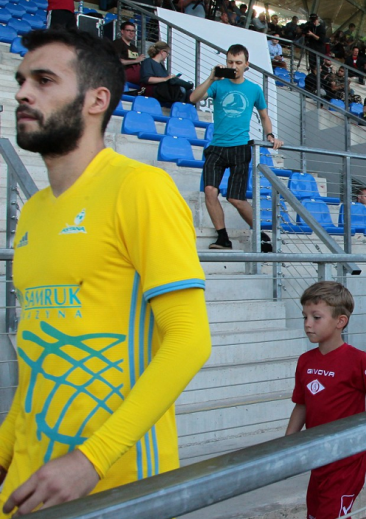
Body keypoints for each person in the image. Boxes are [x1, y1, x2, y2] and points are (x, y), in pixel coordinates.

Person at [0, 29, 211, 516]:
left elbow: (189, 340)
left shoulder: (141, 189)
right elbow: (38, 361)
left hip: (118, 483)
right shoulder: (32, 213)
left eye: (44, 80)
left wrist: (90, 459)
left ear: (98, 99)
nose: (23, 93)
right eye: (21, 80)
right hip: (31, 483)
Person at [287, 282, 366, 519]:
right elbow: (302, 404)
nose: (307, 323)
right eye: (304, 316)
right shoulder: (305, 361)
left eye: (316, 317)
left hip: (346, 462)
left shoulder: (359, 360)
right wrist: (287, 444)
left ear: (340, 322)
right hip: (316, 458)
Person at [188, 44, 284, 250]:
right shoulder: (218, 85)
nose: (234, 66)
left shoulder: (254, 89)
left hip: (240, 147)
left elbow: (264, 116)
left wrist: (270, 135)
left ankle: (260, 234)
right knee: (210, 191)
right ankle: (222, 237)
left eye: (238, 63)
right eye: (230, 62)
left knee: (236, 198)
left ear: (246, 64)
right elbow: (193, 98)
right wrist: (212, 78)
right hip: (216, 146)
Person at [140, 42, 192, 106]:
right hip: (154, 89)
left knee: (188, 92)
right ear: (162, 52)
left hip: (163, 90)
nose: (167, 55)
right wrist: (165, 79)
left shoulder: (161, 66)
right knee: (180, 90)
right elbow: (147, 79)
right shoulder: (148, 61)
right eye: (167, 53)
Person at [111, 21, 145, 87]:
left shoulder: (134, 47)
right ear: (122, 31)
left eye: (133, 31)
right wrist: (136, 60)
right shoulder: (117, 43)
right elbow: (117, 61)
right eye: (128, 30)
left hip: (135, 73)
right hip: (123, 72)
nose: (131, 33)